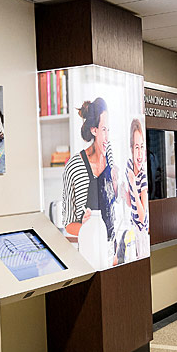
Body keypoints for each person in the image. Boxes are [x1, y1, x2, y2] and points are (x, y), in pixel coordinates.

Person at [61, 98, 117, 267]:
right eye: (104, 130)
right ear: (94, 130)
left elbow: (113, 209)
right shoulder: (74, 167)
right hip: (88, 256)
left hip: (111, 255)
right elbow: (68, 223)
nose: (107, 137)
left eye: (109, 129)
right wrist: (87, 228)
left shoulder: (110, 157)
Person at [126, 119, 149, 234]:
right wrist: (123, 190)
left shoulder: (143, 176)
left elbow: (142, 217)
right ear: (131, 149)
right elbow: (130, 203)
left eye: (142, 147)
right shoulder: (129, 166)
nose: (140, 153)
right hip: (133, 227)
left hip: (142, 232)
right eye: (136, 147)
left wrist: (134, 187)